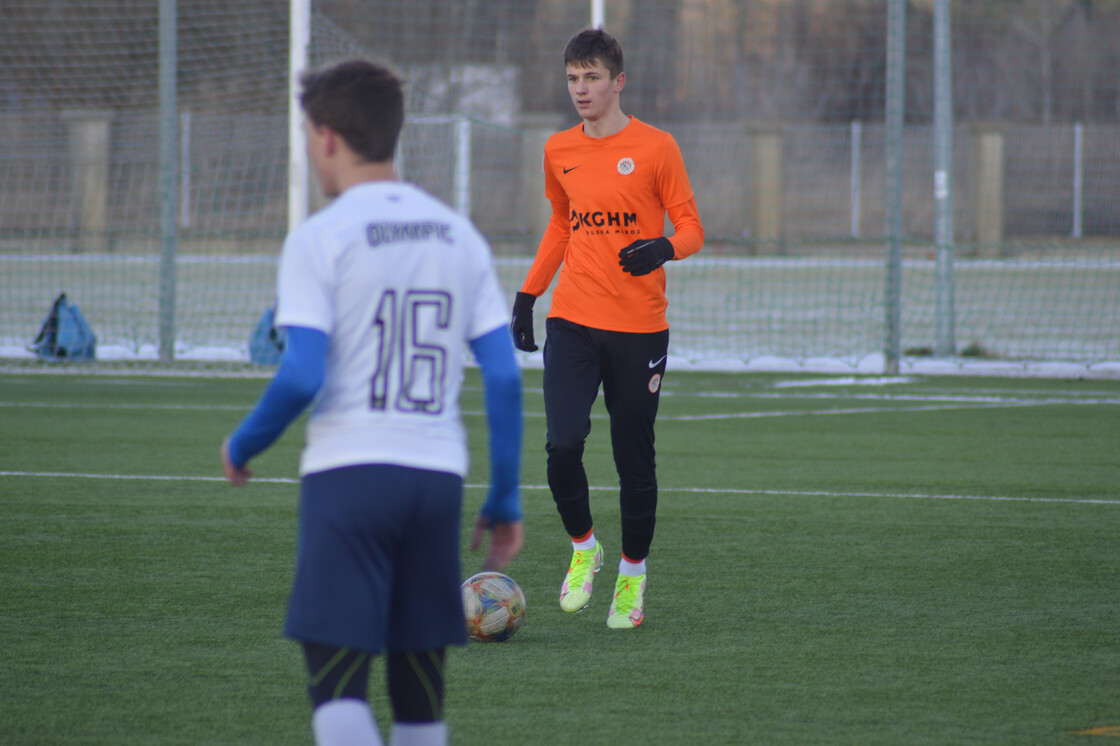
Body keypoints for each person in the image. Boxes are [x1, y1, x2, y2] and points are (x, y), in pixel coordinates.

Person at [220, 59, 523, 746]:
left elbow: (300, 376)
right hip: (436, 480)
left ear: (326, 137)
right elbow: (503, 378)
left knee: (338, 694)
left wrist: (241, 447)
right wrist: (504, 497)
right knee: (421, 702)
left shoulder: (319, 238)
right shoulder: (458, 235)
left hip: (350, 477)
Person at [510, 29, 704, 629]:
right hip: (573, 318)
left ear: (618, 81)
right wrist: (527, 295)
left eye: (591, 78)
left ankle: (632, 577)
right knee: (562, 444)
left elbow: (693, 227)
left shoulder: (656, 147)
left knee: (633, 460)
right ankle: (583, 548)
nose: (581, 90)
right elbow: (562, 226)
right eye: (573, 78)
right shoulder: (558, 149)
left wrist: (662, 249)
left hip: (640, 329)